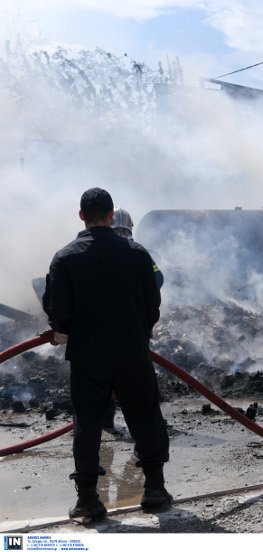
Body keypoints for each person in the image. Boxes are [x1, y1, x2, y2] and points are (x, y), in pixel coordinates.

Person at [43, 188, 172, 521]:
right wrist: (139, 330)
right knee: (145, 415)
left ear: (82, 216)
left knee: (87, 422)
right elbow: (152, 305)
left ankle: (87, 501)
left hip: (88, 356)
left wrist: (64, 329)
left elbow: (59, 312)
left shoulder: (65, 257)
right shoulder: (137, 254)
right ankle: (155, 489)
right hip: (131, 351)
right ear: (112, 215)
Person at [100, 208, 165, 435]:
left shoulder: (96, 249)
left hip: (100, 331)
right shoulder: (138, 252)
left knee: (104, 379)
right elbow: (158, 279)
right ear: (130, 225)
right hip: (133, 331)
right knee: (136, 383)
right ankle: (144, 434)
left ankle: (106, 422)